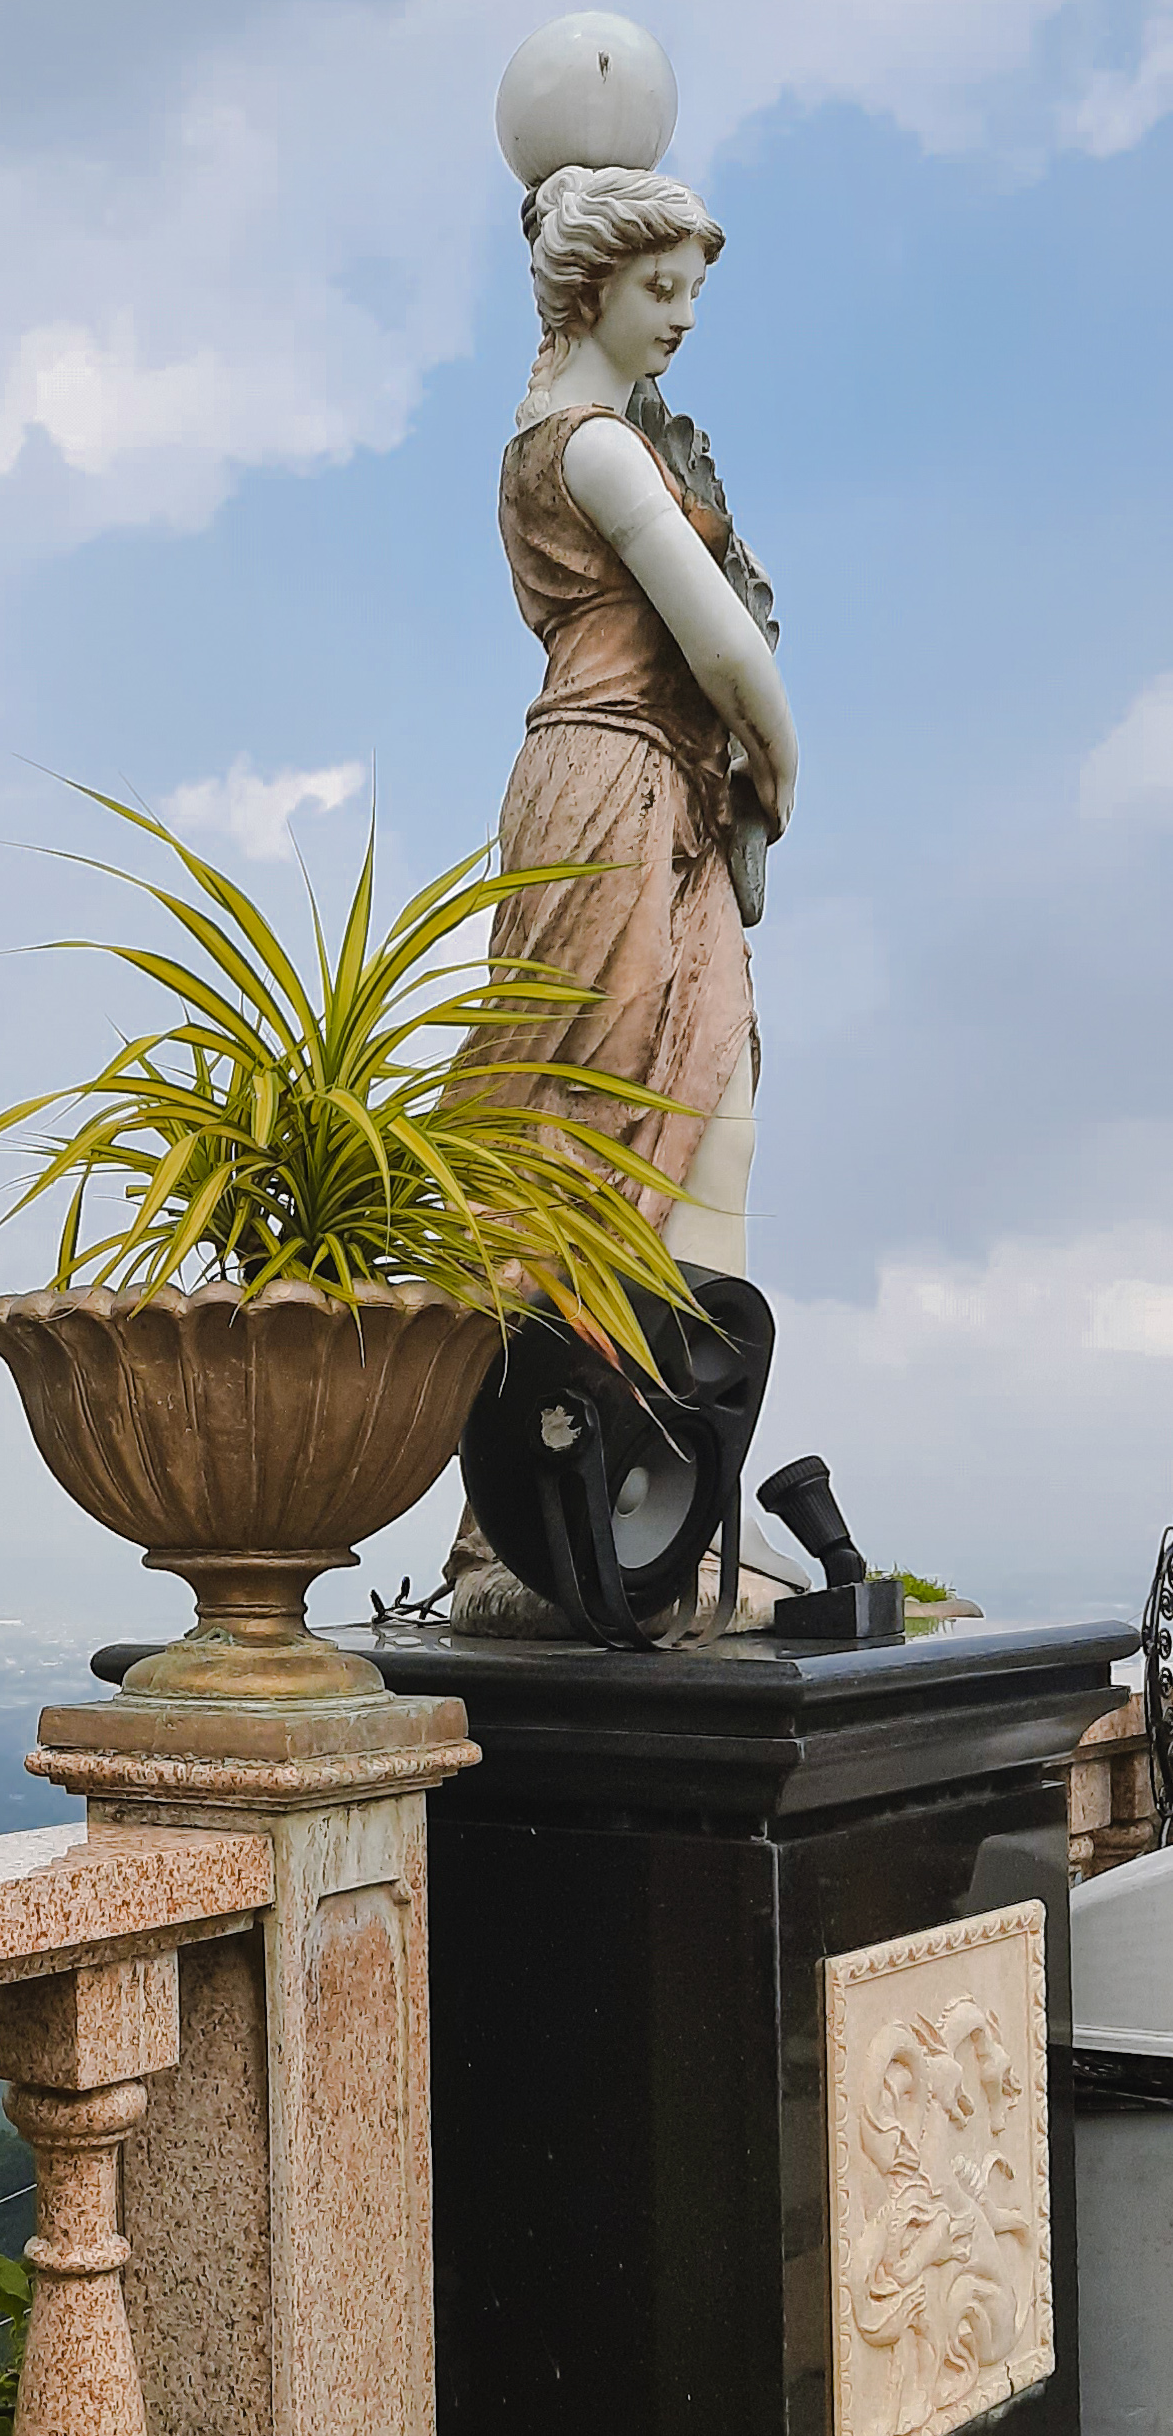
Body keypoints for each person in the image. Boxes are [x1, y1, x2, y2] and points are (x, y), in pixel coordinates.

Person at [445, 163, 804, 1635]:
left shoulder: (607, 438)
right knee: (584, 1130)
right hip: (607, 790)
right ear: (589, 286)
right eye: (660, 289)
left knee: (713, 1096)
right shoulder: (585, 448)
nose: (681, 319)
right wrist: (781, 749)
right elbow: (716, 640)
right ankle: (526, 1520)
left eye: (693, 292)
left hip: (665, 800)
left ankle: (670, 1506)